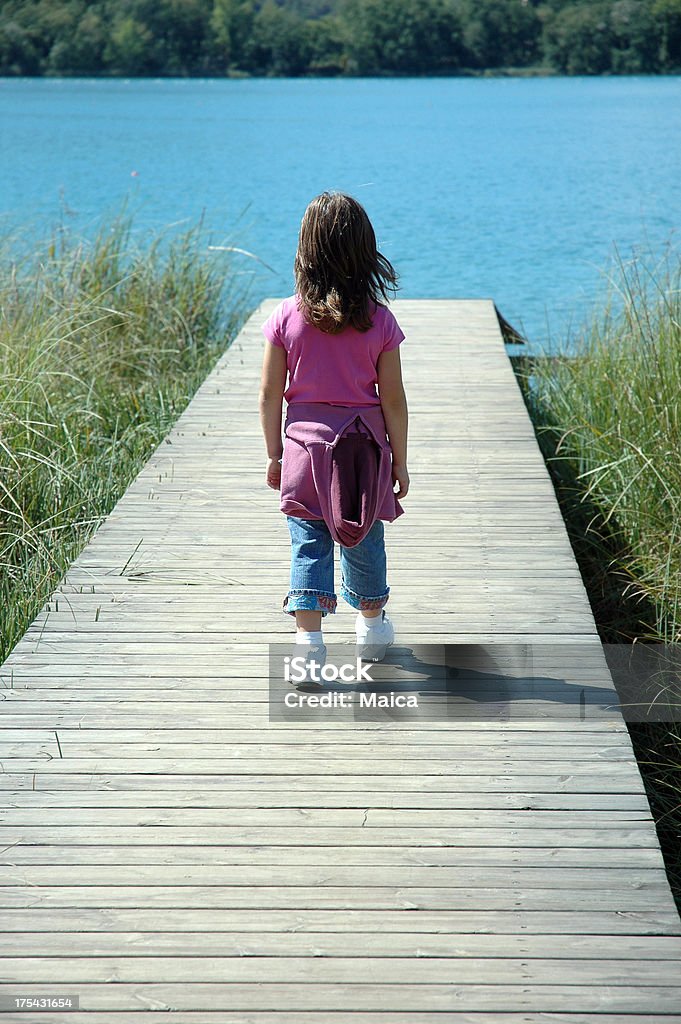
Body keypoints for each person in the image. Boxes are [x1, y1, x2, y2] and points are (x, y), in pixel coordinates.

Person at [259, 191, 409, 678]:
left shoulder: (286, 317)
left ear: (306, 250)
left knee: (308, 544)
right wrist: (400, 462)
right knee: (364, 538)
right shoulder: (381, 322)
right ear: (365, 251)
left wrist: (274, 455)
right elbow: (393, 401)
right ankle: (371, 630)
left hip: (304, 454)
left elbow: (268, 395)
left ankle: (308, 645)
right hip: (363, 455)